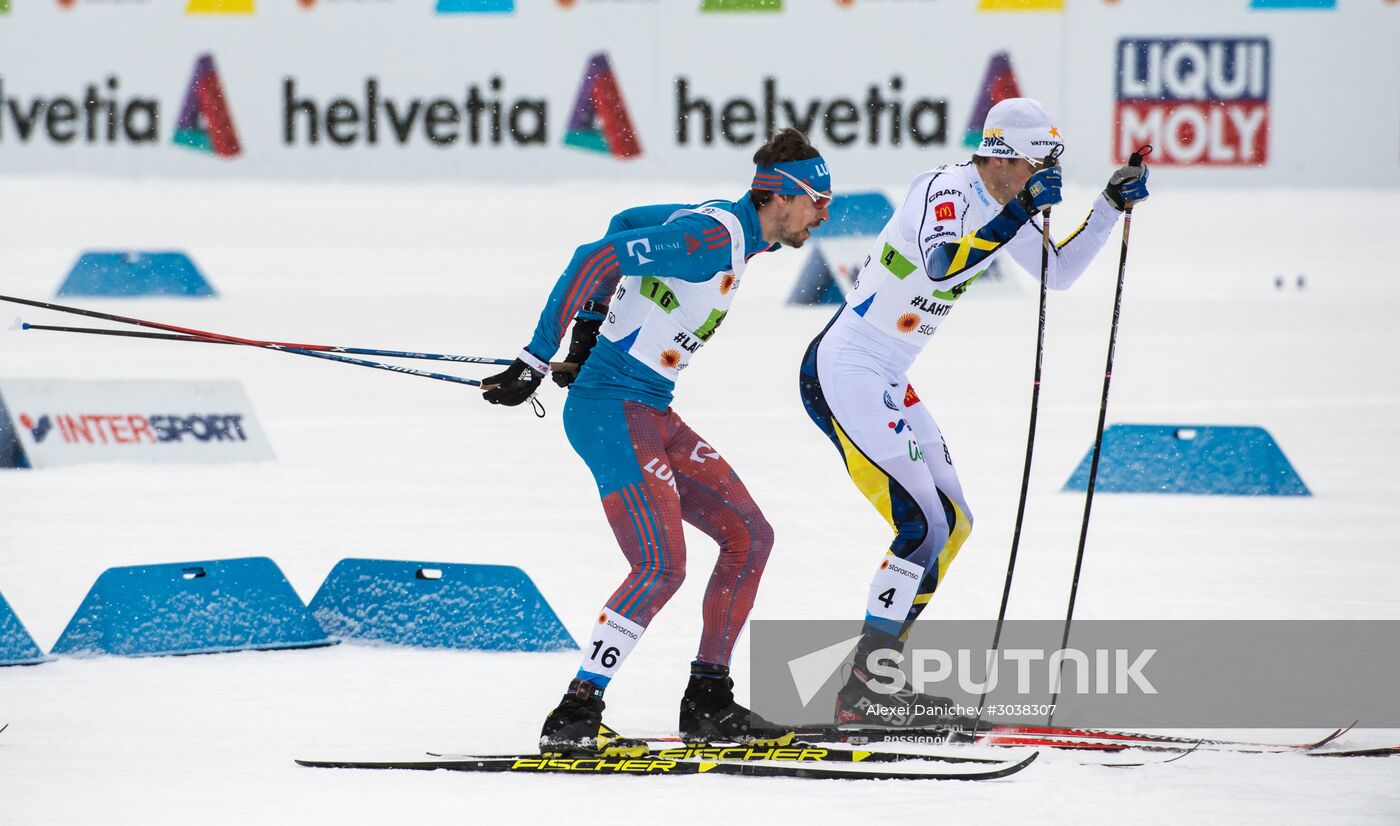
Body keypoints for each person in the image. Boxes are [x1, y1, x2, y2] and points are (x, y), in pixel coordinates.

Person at [797, 98, 1149, 727]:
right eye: (1040, 162)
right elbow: (938, 264)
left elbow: (1059, 273)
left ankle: (876, 680)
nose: (1048, 174)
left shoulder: (1004, 206)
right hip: (845, 367)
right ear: (1006, 157)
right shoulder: (946, 188)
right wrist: (1018, 212)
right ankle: (863, 690)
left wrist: (1107, 207)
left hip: (886, 375)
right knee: (921, 524)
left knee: (952, 524)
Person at [482, 129, 833, 753]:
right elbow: (595, 258)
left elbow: (624, 223)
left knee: (749, 537)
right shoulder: (710, 241)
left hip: (652, 410)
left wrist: (588, 337)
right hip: (611, 411)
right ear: (780, 195)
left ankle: (707, 701)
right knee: (660, 567)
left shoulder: (732, 233)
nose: (823, 215)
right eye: (817, 200)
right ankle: (575, 712)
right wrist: (537, 358)